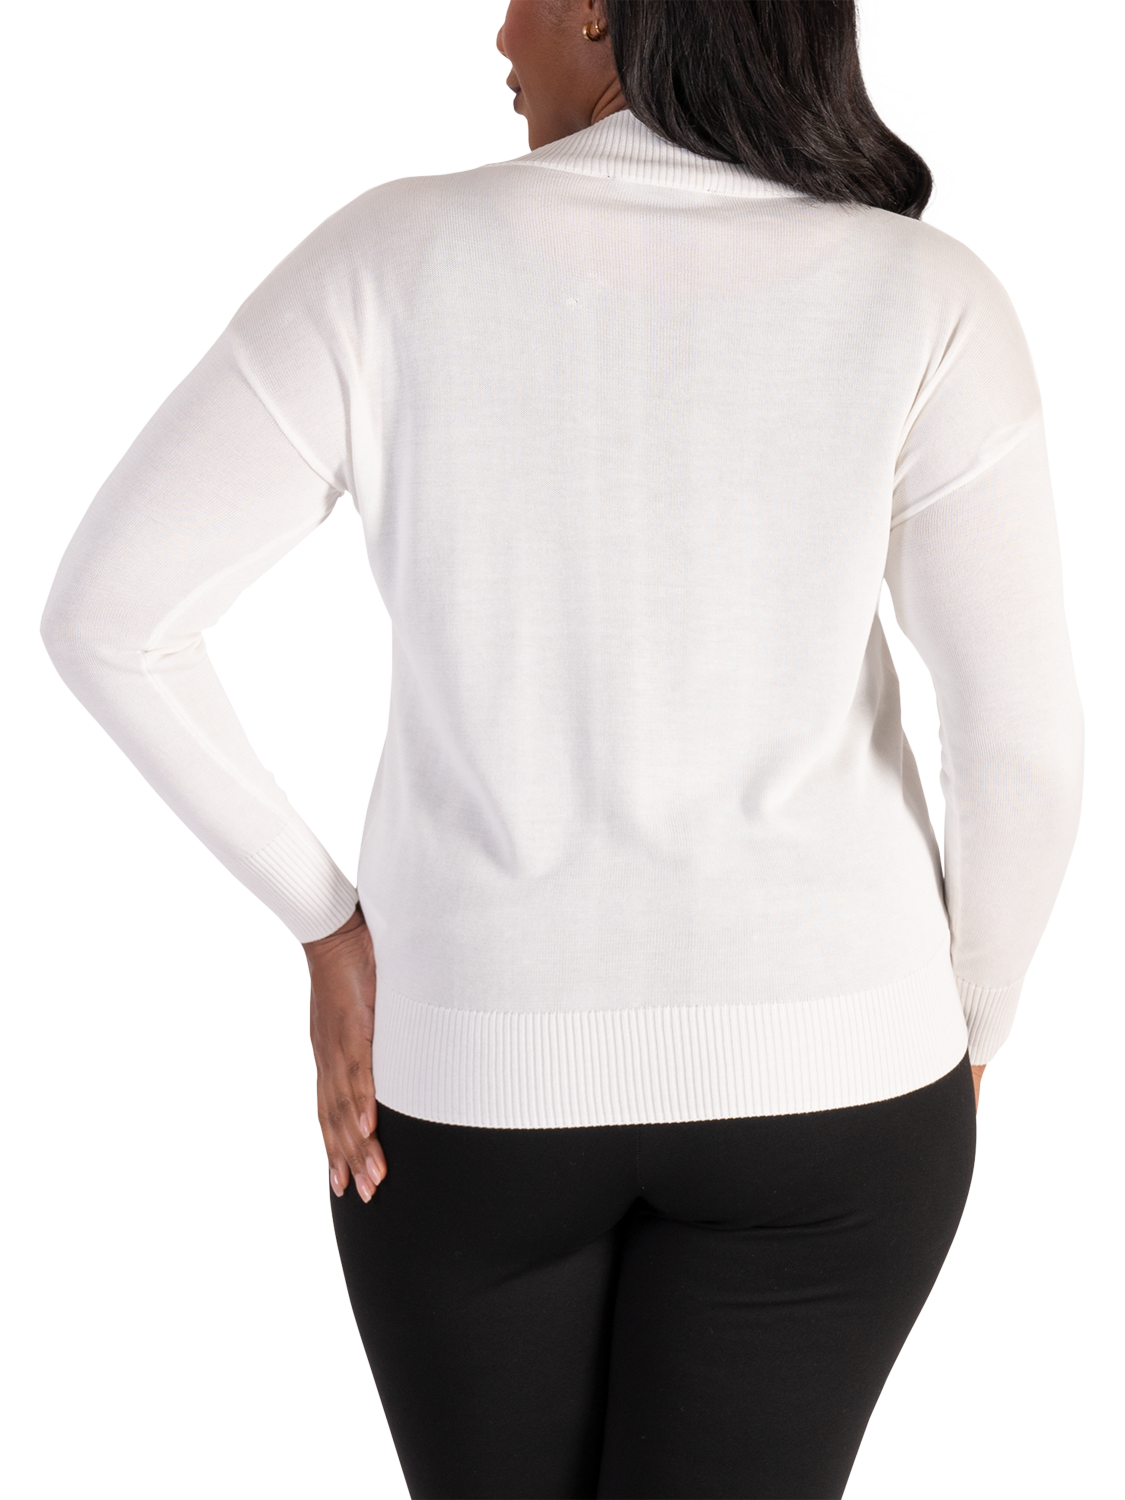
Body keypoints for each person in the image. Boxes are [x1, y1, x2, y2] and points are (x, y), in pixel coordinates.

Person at [40, 0, 1083, 1496]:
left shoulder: (391, 256)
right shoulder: (925, 292)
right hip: (836, 1090)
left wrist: (328, 927)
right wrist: (970, 1029)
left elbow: (111, 618)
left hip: (471, 1090)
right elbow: (1023, 737)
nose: (497, 35)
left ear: (604, 6)